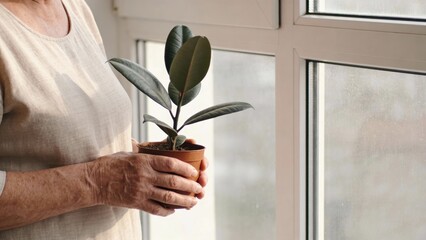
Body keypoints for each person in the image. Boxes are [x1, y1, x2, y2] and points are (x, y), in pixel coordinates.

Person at [0, 0, 208, 239]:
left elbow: (69, 136)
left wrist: (148, 165)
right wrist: (97, 182)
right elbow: (99, 175)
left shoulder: (75, 8)